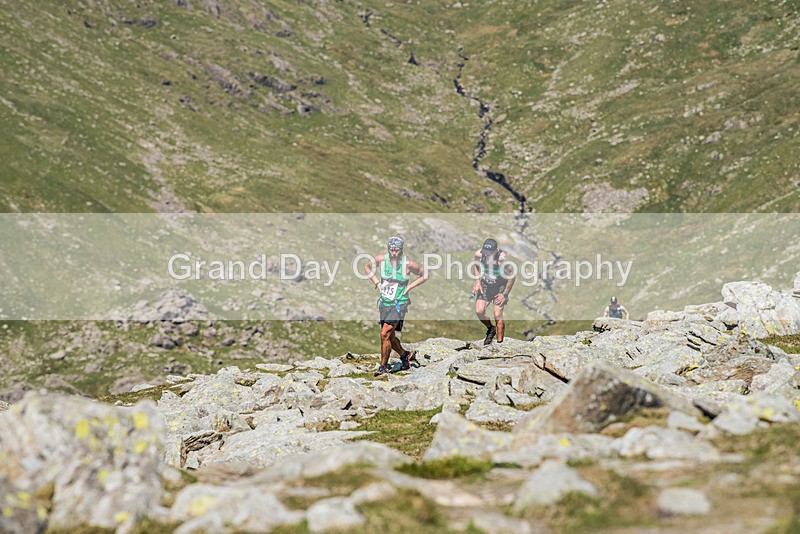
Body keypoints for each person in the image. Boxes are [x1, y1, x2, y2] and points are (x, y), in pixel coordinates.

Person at [363, 236, 427, 375]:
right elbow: (367, 267)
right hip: (385, 302)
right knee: (390, 337)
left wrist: (408, 287)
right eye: (391, 250)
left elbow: (424, 275)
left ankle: (383, 367)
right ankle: (405, 355)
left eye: (396, 250)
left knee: (384, 334)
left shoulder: (408, 264)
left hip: (399, 303)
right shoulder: (381, 259)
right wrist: (377, 283)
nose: (393, 253)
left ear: (401, 250)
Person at [472, 238, 515, 346]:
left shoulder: (502, 259)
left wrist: (504, 294)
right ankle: (491, 329)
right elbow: (476, 266)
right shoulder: (479, 254)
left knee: (497, 314)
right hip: (485, 285)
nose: (487, 255)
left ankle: (500, 344)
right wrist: (477, 281)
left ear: (496, 251)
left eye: (490, 253)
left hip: (500, 287)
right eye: (485, 252)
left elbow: (512, 275)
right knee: (479, 311)